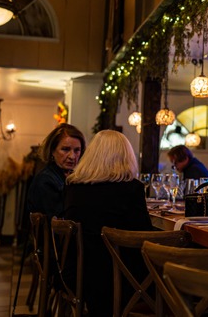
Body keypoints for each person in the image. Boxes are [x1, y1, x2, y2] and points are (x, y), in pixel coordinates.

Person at [62, 130, 153, 317]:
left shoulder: (73, 186)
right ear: (125, 157)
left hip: (78, 273)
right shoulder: (132, 189)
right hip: (121, 279)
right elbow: (143, 235)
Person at [27, 123, 86, 218]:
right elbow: (60, 220)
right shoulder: (45, 180)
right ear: (52, 151)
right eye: (65, 149)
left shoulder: (75, 176)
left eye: (77, 150)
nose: (72, 156)